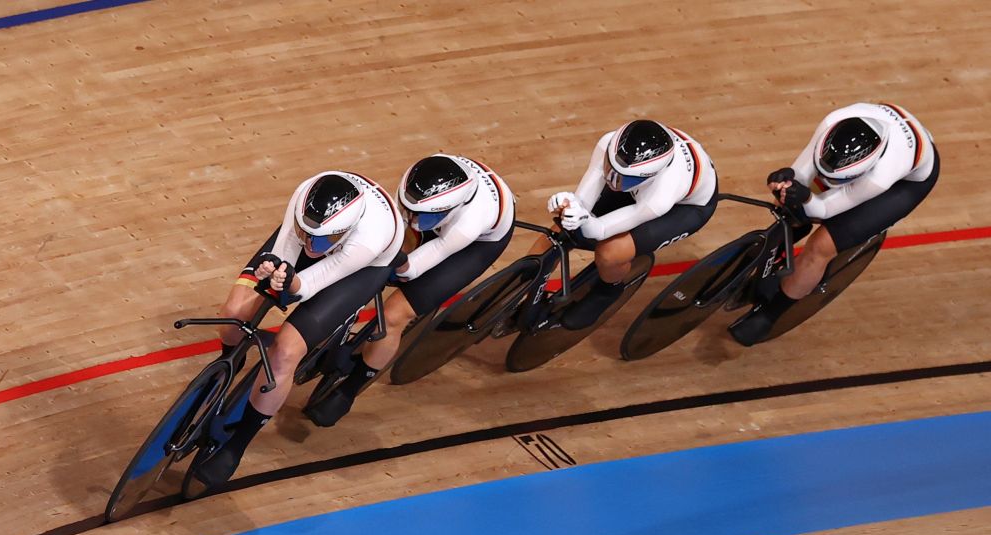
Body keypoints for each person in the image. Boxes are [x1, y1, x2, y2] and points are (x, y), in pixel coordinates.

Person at [195, 170, 404, 487]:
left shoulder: (368, 240)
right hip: (323, 233)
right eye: (305, 232)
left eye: (319, 239)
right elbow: (289, 249)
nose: (310, 244)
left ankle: (237, 446)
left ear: (343, 231)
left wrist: (289, 281)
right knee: (234, 313)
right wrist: (273, 270)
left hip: (361, 268)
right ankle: (230, 360)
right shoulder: (305, 201)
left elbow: (306, 286)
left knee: (285, 352)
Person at [309, 154, 516, 425]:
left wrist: (396, 265)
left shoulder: (466, 226)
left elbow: (413, 268)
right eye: (409, 209)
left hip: (477, 244)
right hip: (439, 212)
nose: (412, 218)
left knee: (395, 315)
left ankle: (351, 389)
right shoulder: (416, 193)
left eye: (419, 215)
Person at [730, 102, 939, 345]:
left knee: (821, 246)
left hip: (907, 184)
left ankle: (770, 314)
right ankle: (778, 253)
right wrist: (784, 184)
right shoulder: (833, 122)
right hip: (879, 141)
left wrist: (807, 198)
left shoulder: (880, 178)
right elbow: (799, 175)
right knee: (791, 205)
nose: (826, 181)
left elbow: (826, 208)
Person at [543, 119, 718, 329]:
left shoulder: (660, 196)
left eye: (623, 179)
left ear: (648, 176)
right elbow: (583, 204)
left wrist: (583, 218)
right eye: (610, 169)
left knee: (610, 253)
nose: (612, 181)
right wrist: (571, 205)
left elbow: (599, 230)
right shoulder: (608, 144)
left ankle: (609, 290)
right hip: (641, 185)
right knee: (558, 231)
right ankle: (524, 287)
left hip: (688, 208)